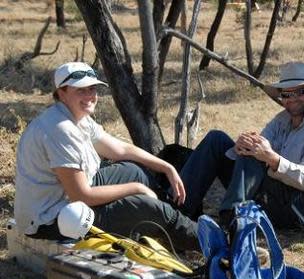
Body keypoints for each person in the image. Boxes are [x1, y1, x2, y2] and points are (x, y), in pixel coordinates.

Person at [14, 62, 198, 251]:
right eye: (81, 90)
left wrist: (167, 168)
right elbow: (81, 196)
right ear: (62, 92)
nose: (90, 96)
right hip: (51, 221)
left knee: (134, 171)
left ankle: (171, 224)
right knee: (145, 206)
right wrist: (137, 189)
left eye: (92, 89)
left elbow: (120, 149)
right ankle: (201, 239)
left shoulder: (77, 117)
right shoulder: (60, 130)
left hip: (66, 199)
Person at [178, 61, 304, 228]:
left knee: (255, 154)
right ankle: (177, 210)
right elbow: (258, 149)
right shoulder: (281, 120)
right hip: (273, 193)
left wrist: (271, 158)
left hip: (302, 207)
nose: (292, 99)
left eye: (299, 92)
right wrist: (241, 146)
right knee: (216, 139)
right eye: (286, 94)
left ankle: (231, 224)